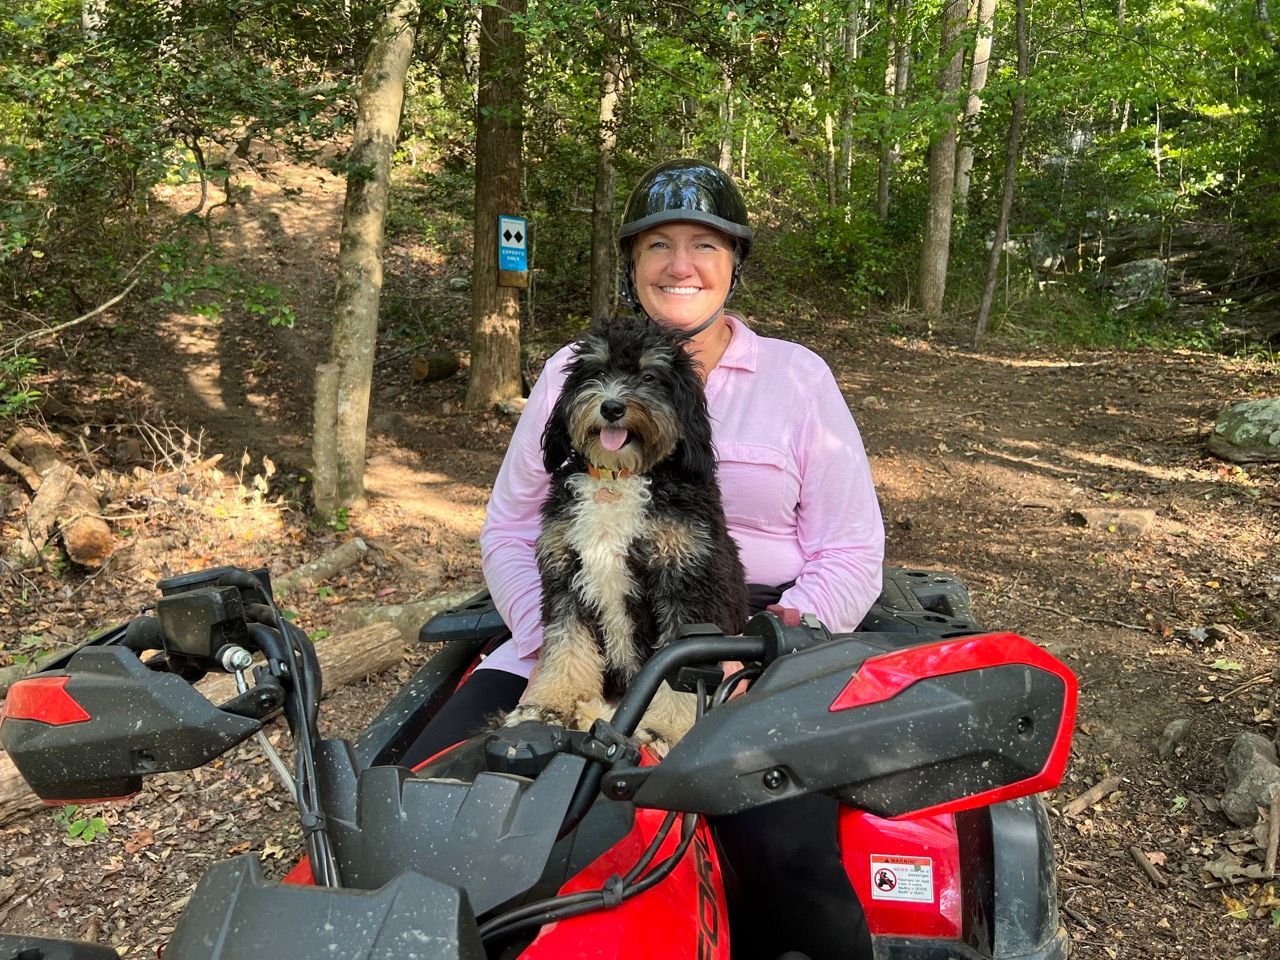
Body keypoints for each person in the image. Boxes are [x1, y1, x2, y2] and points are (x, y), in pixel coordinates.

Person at [402, 159, 885, 959]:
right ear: (633, 264)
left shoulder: (797, 378)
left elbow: (853, 551)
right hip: (569, 627)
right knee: (421, 805)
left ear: (735, 261)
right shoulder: (572, 369)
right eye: (659, 244)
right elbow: (510, 525)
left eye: (704, 244)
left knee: (788, 857)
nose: (681, 264)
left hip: (738, 635)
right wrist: (549, 628)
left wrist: (757, 654)